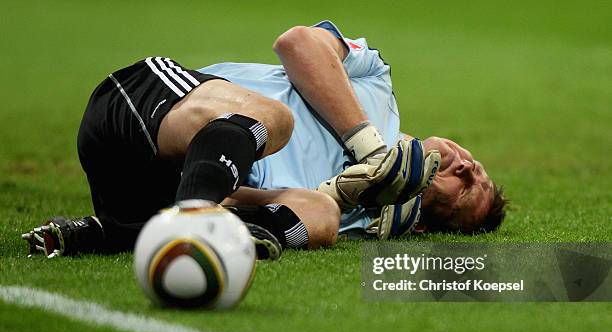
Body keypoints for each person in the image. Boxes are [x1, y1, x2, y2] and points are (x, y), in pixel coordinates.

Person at [22, 21, 505, 259]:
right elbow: (298, 42)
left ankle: (122, 232)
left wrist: (336, 193)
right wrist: (369, 148)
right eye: (477, 168)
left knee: (322, 216)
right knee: (274, 119)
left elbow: (229, 192)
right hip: (145, 109)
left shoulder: (359, 220)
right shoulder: (377, 83)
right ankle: (189, 220)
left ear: (420, 227)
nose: (466, 167)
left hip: (162, 188)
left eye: (466, 189)